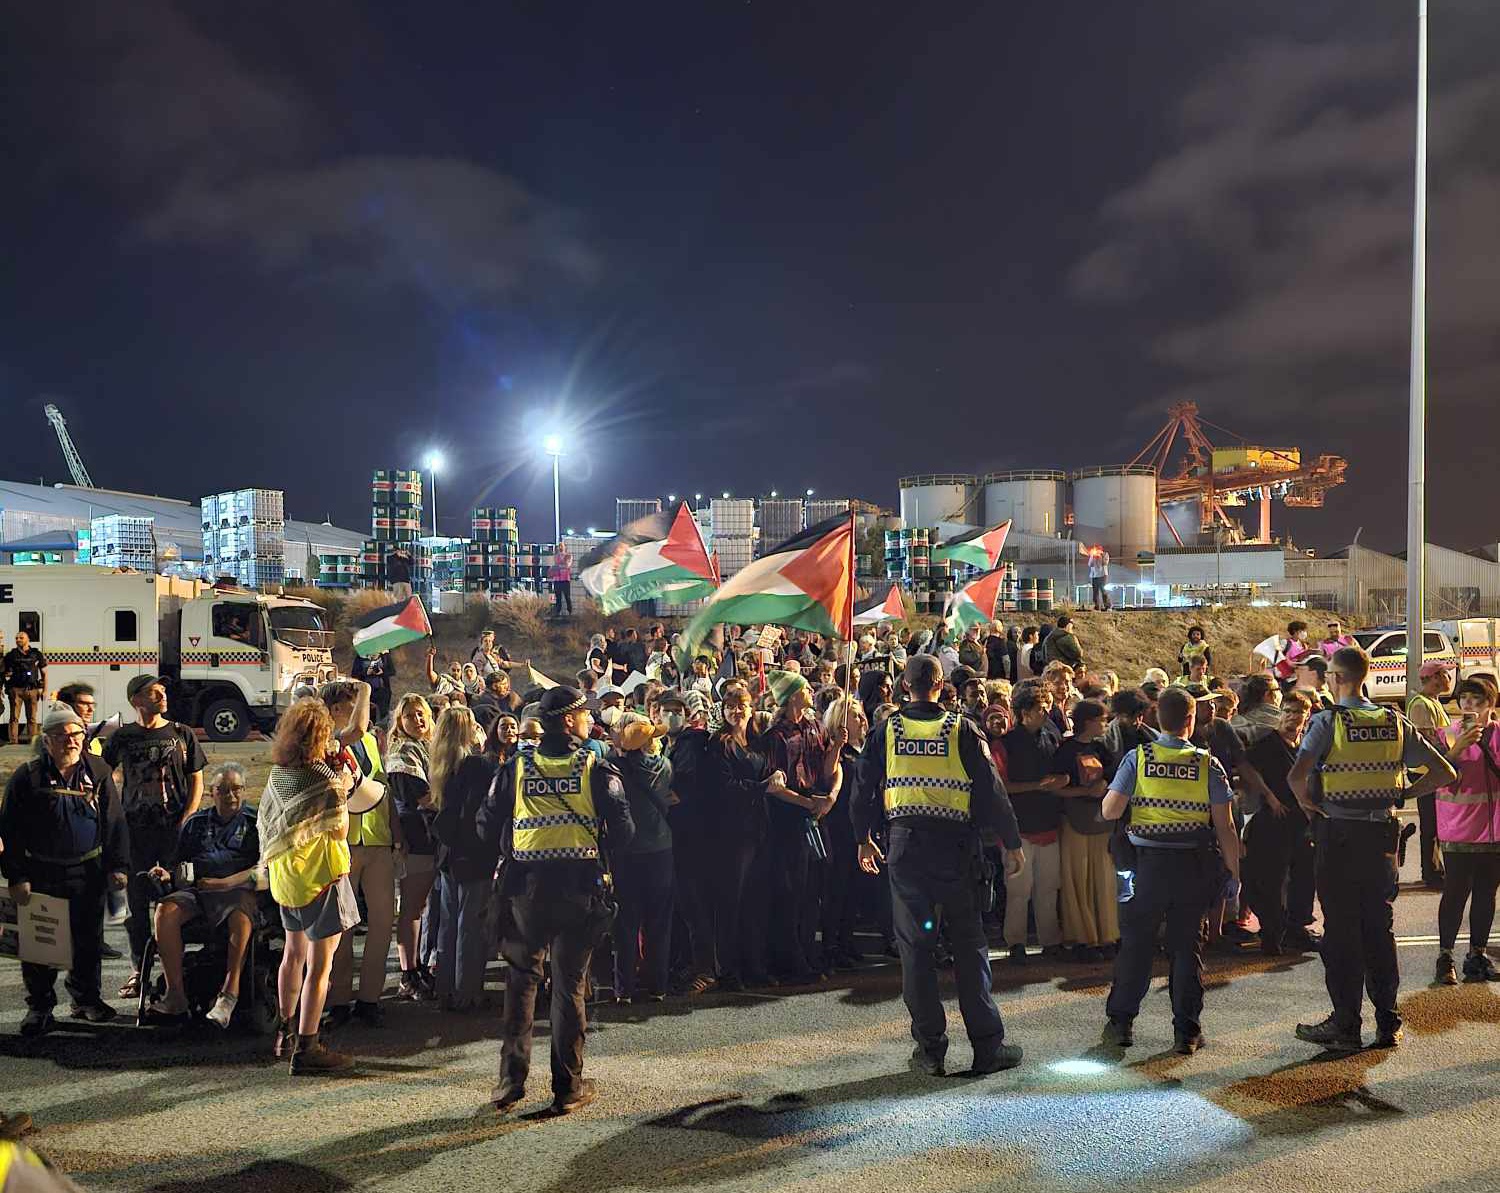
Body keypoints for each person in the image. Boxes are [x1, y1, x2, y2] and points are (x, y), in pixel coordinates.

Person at [854, 654, 1026, 1076]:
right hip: (956, 850)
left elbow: (862, 790)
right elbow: (991, 789)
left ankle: (930, 1051)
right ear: (941, 684)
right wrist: (1012, 842)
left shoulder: (886, 731)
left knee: (916, 950)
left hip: (905, 848)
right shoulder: (962, 729)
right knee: (969, 947)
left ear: (903, 686)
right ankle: (987, 1046)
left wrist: (863, 839)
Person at [475, 687, 635, 1115]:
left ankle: (510, 1083)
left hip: (526, 888)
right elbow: (624, 833)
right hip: (579, 888)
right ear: (568, 721)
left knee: (522, 983)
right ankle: (567, 1087)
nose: (589, 721)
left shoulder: (516, 768)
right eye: (584, 715)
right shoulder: (596, 768)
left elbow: (485, 823)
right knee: (568, 987)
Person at [1288, 646, 1456, 1052]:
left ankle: (1345, 1026)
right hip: (1382, 836)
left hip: (1339, 836)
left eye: (1329, 673)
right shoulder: (1393, 722)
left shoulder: (1328, 722)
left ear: (1339, 678)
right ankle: (1388, 1023)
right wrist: (1404, 794)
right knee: (1379, 930)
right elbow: (1444, 771)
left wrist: (1312, 806)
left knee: (1341, 933)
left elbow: (1297, 777)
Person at [1099, 686, 1241, 1054]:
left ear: (1155, 719)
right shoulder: (1207, 764)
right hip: (1192, 868)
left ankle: (1121, 1025)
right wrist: (1233, 873)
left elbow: (1110, 812)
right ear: (1191, 721)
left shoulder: (1138, 757)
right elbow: (1225, 827)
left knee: (1136, 947)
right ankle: (1186, 1032)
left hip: (1145, 868)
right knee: (1186, 948)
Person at [1, 705, 129, 1036]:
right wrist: (16, 876)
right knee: (41, 944)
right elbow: (10, 830)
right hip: (41, 873)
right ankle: (40, 1008)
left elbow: (114, 821)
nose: (71, 741)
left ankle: (86, 1000)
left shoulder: (98, 770)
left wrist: (117, 866)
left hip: (88, 872)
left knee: (87, 941)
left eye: (76, 735)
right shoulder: (27, 777)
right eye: (62, 736)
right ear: (47, 741)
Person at [259, 698, 358, 1073]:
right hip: (321, 877)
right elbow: (339, 828)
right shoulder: (324, 779)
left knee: (292, 955)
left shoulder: (277, 773)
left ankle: (284, 1031)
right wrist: (344, 789)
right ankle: (308, 1046)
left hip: (286, 876)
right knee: (320, 965)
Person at [103, 675, 207, 1001]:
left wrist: (187, 818)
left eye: (162, 690)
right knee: (136, 907)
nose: (162, 694)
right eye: (153, 691)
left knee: (176, 901)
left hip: (173, 832)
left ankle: (177, 971)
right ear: (136, 700)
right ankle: (140, 971)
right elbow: (102, 778)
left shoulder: (182, 734)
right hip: (135, 833)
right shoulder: (123, 737)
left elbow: (197, 781)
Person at [146, 762, 261, 1027]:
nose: (230, 795)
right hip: (199, 890)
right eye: (223, 790)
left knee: (240, 913)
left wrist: (225, 883)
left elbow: (263, 868)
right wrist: (166, 874)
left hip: (237, 890)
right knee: (166, 910)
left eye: (236, 789)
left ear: (244, 791)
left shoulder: (255, 822)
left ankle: (229, 995)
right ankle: (176, 995)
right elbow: (178, 863)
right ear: (211, 792)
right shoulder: (196, 823)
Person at [756, 670, 841, 984]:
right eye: (804, 688)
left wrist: (836, 749)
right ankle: (790, 958)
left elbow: (827, 767)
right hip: (788, 815)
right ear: (792, 696)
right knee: (791, 889)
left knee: (813, 887)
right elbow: (775, 784)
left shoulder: (814, 727)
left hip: (814, 809)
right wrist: (809, 805)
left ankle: (809, 951)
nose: (810, 690)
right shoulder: (775, 736)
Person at [324, 680, 398, 1029]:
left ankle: (370, 998)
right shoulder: (330, 740)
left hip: (378, 839)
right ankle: (338, 1000)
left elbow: (384, 787)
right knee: (344, 926)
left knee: (383, 922)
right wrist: (366, 688)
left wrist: (397, 835)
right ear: (338, 709)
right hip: (344, 843)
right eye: (354, 704)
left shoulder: (369, 740)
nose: (362, 712)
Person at [426, 704, 499, 1011]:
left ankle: (445, 988)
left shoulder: (441, 767)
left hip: (448, 854)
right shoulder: (478, 766)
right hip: (474, 854)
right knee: (471, 925)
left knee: (448, 924)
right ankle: (468, 991)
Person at [1239, 692, 1319, 955]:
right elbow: (1246, 766)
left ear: (1306, 716)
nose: (1292, 717)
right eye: (1288, 711)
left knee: (1303, 879)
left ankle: (1296, 930)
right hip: (1273, 823)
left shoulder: (1305, 747)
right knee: (1270, 881)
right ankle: (1272, 934)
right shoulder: (1268, 744)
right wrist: (1269, 796)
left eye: (1298, 712)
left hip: (1301, 823)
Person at [1433, 676, 1500, 985]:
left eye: (1477, 700)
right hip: (1457, 829)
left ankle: (1477, 954)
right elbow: (1435, 775)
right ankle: (1445, 956)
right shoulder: (1445, 735)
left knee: (1486, 893)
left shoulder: (1498, 736)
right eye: (1465, 699)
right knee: (1455, 893)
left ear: (1490, 705)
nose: (1469, 705)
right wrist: (1459, 747)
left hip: (1494, 830)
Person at [995, 687, 1068, 963]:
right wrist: (1037, 786)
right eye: (1040, 708)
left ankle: (1050, 939)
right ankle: (1015, 942)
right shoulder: (1005, 744)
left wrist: (1061, 782)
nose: (1046, 712)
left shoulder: (1052, 737)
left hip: (1048, 822)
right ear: (1024, 713)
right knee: (1018, 888)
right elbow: (1000, 785)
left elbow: (1062, 772)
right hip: (1018, 827)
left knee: (1049, 886)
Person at [608, 713, 675, 1003]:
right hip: (661, 850)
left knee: (626, 922)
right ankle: (658, 985)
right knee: (658, 921)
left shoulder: (614, 768)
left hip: (626, 852)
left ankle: (624, 988)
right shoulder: (665, 766)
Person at [1053, 700, 1119, 961]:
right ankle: (1083, 938)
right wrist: (1084, 791)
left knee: (1103, 880)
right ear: (1089, 722)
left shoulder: (1103, 748)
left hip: (1100, 821)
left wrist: (1104, 782)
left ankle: (1107, 935)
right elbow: (1054, 787)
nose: (1105, 724)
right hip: (1074, 820)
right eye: (1102, 719)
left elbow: (1115, 776)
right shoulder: (1065, 750)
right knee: (1077, 881)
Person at [385, 693, 438, 1000]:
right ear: (399, 722)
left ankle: (416, 967)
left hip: (431, 836)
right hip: (416, 836)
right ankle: (408, 973)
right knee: (412, 908)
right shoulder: (402, 753)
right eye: (410, 716)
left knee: (421, 907)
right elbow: (422, 797)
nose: (417, 720)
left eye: (421, 714)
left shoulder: (426, 748)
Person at [1406, 659, 1455, 889]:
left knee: (1438, 823)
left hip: (1437, 771)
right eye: (1445, 674)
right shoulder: (1421, 705)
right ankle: (1432, 873)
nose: (1449, 678)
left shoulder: (1434, 702)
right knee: (1431, 825)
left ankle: (1436, 869)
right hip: (1427, 773)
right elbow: (1427, 742)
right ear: (1434, 678)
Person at [3, 632, 48, 746]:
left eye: (21, 638)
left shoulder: (36, 654)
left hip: (32, 690)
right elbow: (4, 672)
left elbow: (44, 673)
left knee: (32, 718)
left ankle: (33, 742)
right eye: (16, 638)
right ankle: (13, 742)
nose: (18, 639)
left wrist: (45, 689)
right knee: (14, 717)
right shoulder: (11, 655)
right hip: (16, 690)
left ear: (28, 639)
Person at [349, 650, 395, 724]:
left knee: (383, 714)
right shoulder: (360, 657)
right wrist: (366, 673)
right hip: (366, 692)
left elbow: (392, 671)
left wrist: (382, 672)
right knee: (368, 713)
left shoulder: (385, 655)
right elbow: (354, 675)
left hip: (382, 690)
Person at [550, 546, 574, 617]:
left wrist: (559, 565)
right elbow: (555, 566)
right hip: (557, 579)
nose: (560, 548)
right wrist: (560, 565)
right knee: (558, 597)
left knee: (567, 597)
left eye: (562, 547)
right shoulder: (556, 556)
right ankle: (557, 612)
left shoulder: (568, 556)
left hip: (565, 579)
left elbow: (567, 565)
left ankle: (570, 612)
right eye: (559, 547)